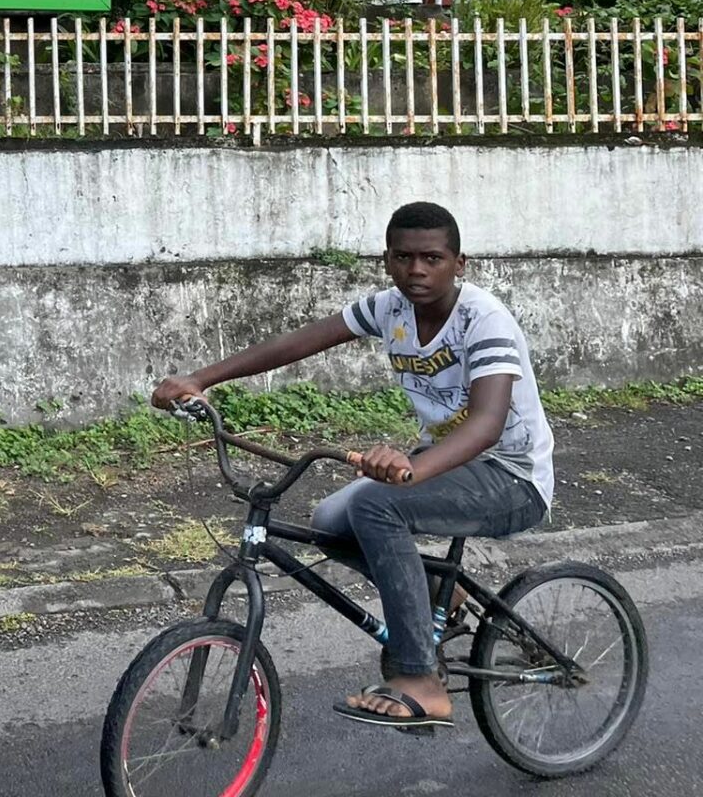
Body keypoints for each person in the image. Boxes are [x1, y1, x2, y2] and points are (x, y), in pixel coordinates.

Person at [151, 201, 554, 733]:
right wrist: (202, 378)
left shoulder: (484, 321)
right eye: (404, 257)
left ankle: (420, 680)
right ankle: (439, 595)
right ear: (387, 260)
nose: (417, 270)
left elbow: (485, 425)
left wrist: (413, 469)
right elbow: (301, 341)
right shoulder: (390, 309)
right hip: (446, 466)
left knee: (376, 504)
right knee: (329, 520)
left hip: (511, 474)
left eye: (432, 258)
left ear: (460, 263)